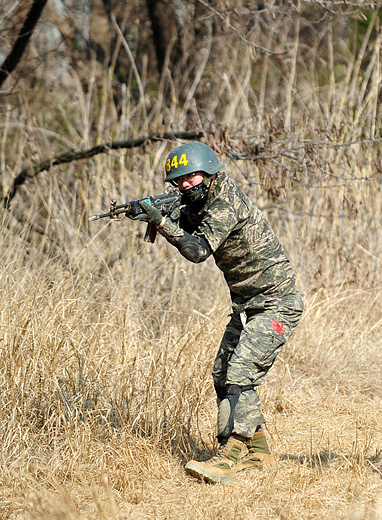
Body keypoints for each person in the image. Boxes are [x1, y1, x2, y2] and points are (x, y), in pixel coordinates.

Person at [126, 141, 305, 484]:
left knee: (240, 374)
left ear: (208, 173)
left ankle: (229, 455)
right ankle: (260, 451)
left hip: (276, 302)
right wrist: (152, 214)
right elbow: (185, 223)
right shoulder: (197, 201)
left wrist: (161, 222)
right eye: (178, 182)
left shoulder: (225, 202)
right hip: (246, 304)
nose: (184, 186)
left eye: (191, 178)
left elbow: (197, 251)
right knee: (222, 372)